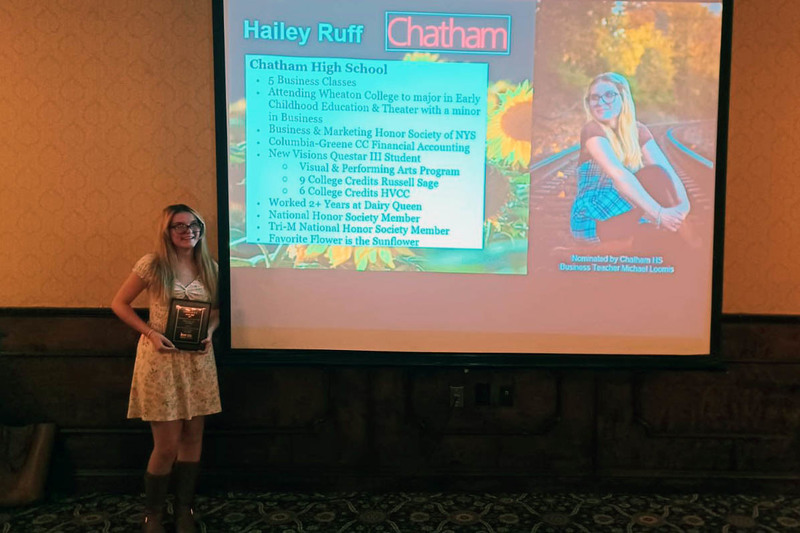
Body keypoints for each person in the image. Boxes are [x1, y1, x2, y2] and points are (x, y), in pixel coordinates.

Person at [111, 204, 220, 533]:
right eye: (179, 226)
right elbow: (119, 303)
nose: (188, 231)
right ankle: (153, 514)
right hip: (160, 360)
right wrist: (150, 333)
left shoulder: (209, 266)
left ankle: (184, 508)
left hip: (198, 362)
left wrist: (209, 333)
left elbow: (215, 311)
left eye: (194, 225)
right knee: (167, 445)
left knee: (193, 438)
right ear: (167, 231)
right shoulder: (152, 264)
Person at [570, 72, 691, 246]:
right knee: (653, 176)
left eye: (609, 95)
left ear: (623, 97)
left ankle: (679, 233)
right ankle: (690, 239)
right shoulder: (592, 130)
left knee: (659, 175)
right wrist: (659, 213)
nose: (601, 101)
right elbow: (619, 175)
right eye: (595, 97)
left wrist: (683, 207)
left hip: (623, 212)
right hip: (593, 219)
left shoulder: (637, 130)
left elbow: (666, 170)